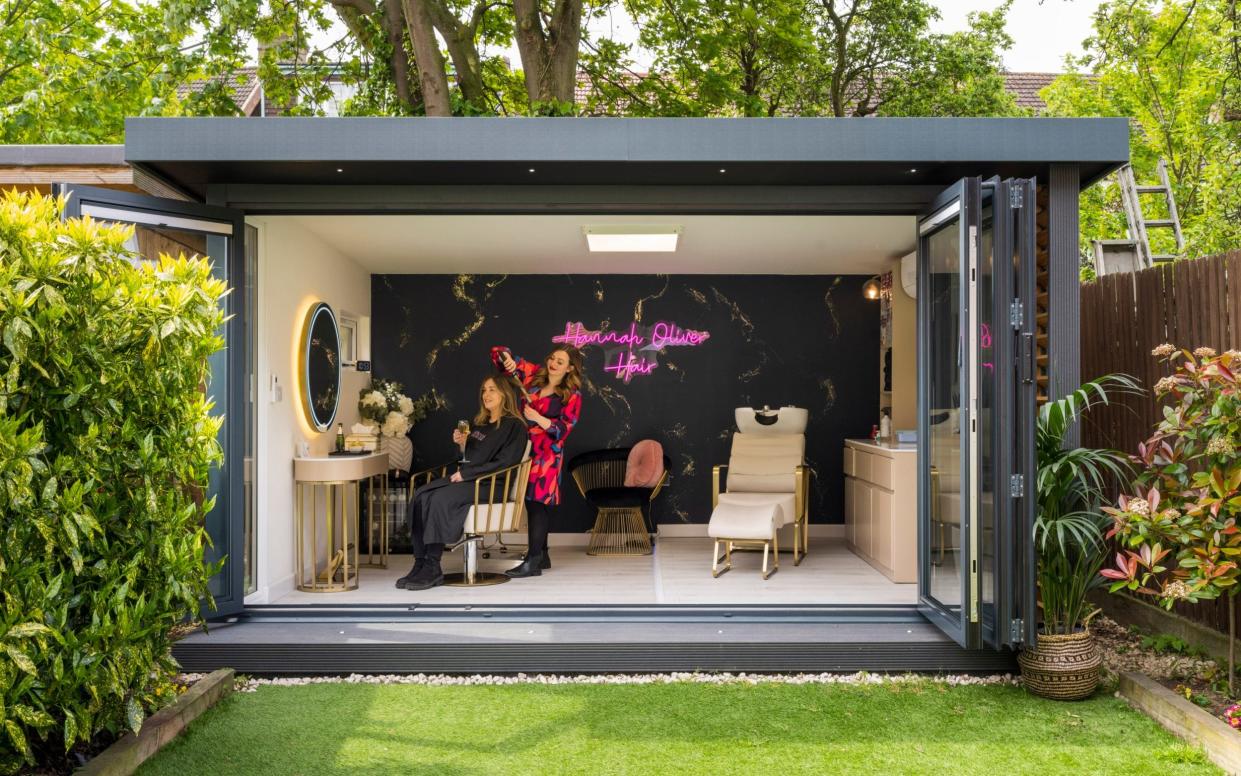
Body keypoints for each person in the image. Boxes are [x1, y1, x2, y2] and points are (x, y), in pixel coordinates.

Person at [396, 376, 527, 591]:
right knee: (421, 495)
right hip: (470, 479)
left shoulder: (515, 426)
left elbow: (506, 462)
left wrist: (468, 475)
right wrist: (463, 445)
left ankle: (433, 566)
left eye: (492, 390)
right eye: (484, 390)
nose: (486, 394)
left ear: (505, 394)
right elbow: (468, 458)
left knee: (439, 498)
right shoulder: (481, 425)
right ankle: (420, 563)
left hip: (491, 485)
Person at [490, 344, 584, 578]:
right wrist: (507, 359)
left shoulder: (572, 395)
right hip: (527, 449)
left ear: (570, 368)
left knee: (536, 503)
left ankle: (532, 560)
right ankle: (542, 555)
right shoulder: (533, 375)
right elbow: (498, 354)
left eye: (560, 362)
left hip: (548, 454)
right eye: (552, 358)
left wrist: (539, 419)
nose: (553, 363)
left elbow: (563, 429)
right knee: (532, 501)